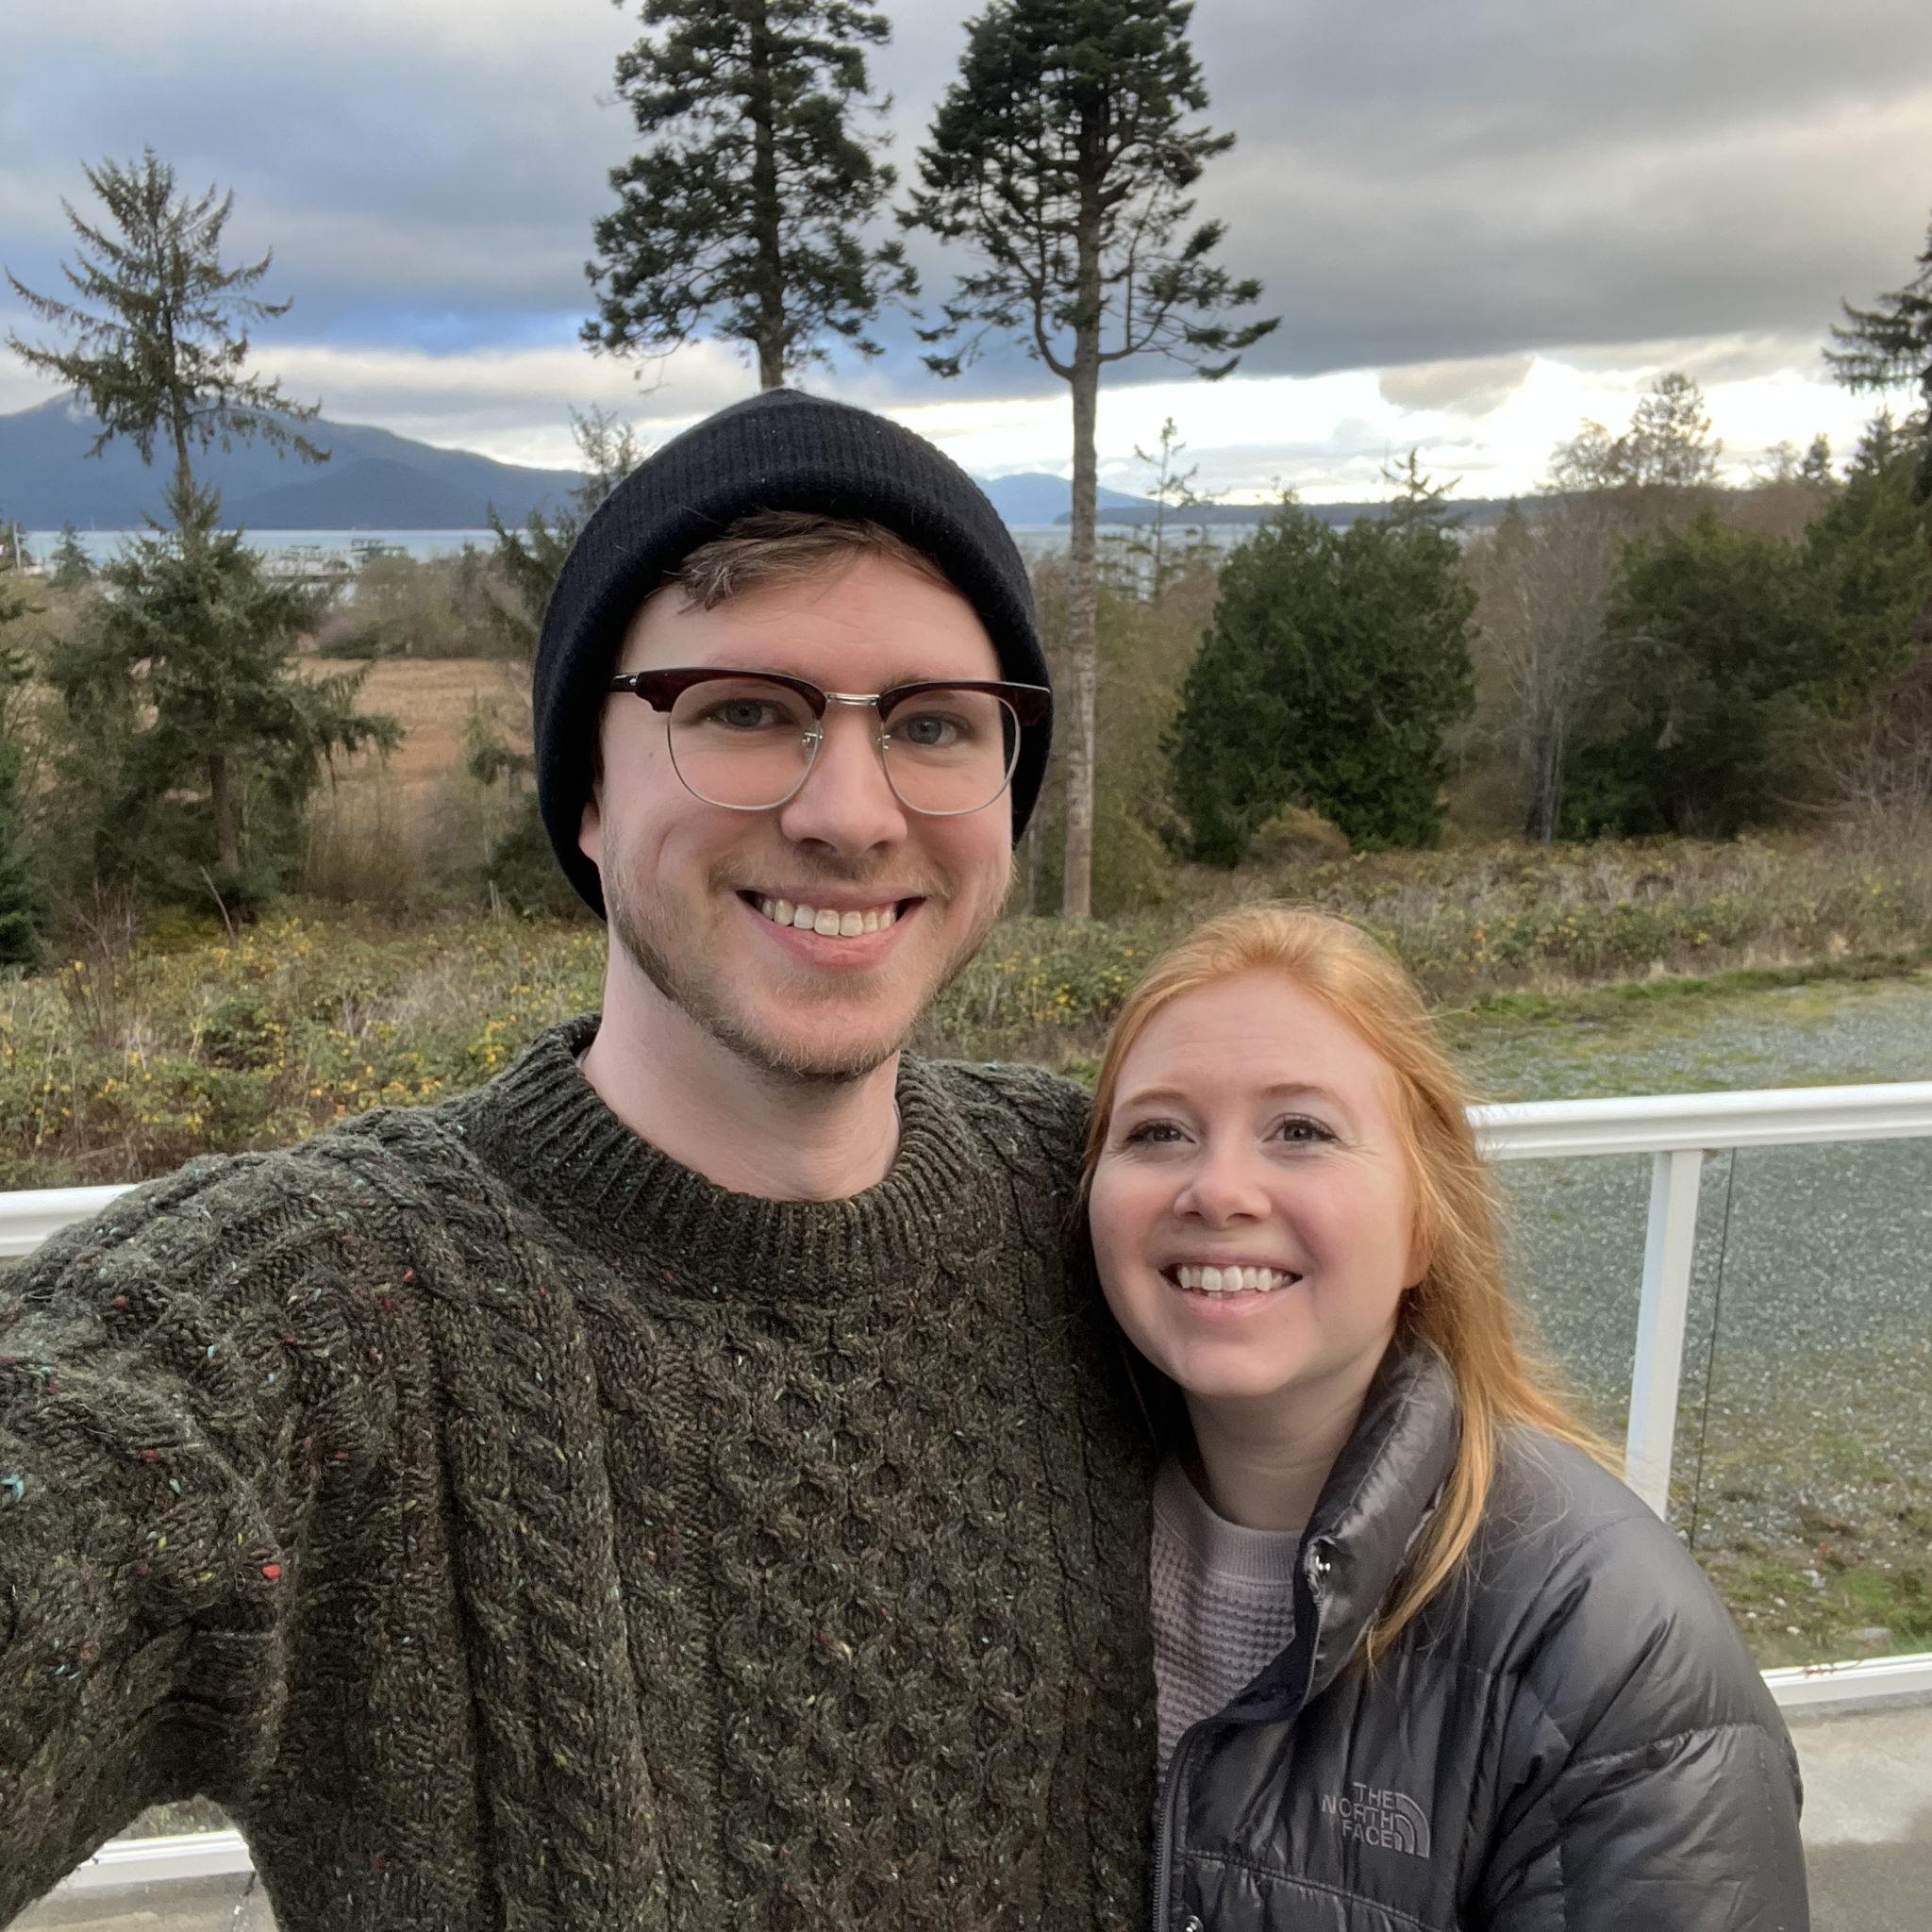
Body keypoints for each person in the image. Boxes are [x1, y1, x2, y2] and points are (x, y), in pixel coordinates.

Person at [0, 391, 1158, 1928]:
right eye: (745, 706)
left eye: (934, 722)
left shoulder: (1114, 1200)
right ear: (589, 790)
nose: (848, 810)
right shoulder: (335, 1304)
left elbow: (1474, 1540)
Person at [1084, 905, 1807, 1931]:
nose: (1217, 1188)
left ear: (1426, 1217)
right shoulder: (1032, 1529)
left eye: (1300, 1129)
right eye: (1157, 1130)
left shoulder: (1614, 1656)